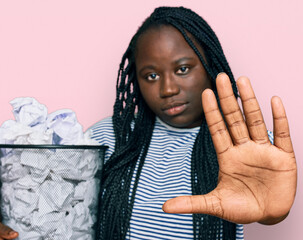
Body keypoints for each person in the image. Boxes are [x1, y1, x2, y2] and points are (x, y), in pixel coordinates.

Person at [0, 6, 296, 240]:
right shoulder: (108, 137)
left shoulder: (244, 144)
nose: (168, 89)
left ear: (210, 66)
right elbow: (45, 202)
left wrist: (273, 213)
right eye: (151, 75)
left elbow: (266, 203)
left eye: (183, 69)